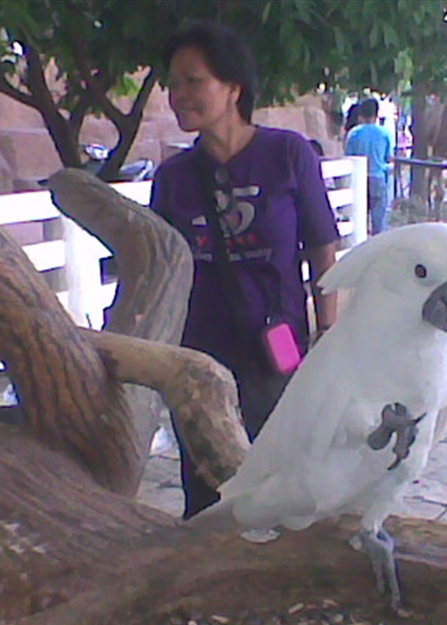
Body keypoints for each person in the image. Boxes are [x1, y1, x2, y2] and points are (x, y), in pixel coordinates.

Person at [150, 21, 340, 519]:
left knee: (283, 470)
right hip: (198, 352)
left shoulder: (287, 154)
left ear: (233, 86)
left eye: (193, 81)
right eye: (173, 83)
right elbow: (159, 269)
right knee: (206, 486)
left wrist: (331, 333)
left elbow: (322, 249)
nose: (178, 95)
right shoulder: (173, 178)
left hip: (277, 341)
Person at [345, 98, 394, 235]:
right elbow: (388, 157)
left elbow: (349, 157)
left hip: (359, 180)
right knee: (379, 221)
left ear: (361, 114)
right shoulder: (385, 134)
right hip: (378, 178)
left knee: (359, 219)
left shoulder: (354, 134)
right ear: (376, 114)